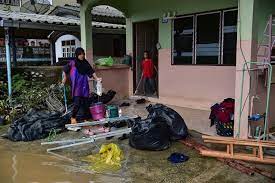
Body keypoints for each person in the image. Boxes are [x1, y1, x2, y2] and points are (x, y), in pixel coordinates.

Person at [62, 47, 101, 124]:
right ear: (77, 55)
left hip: (84, 85)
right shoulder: (72, 63)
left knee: (86, 103)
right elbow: (64, 69)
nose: (82, 55)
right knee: (77, 103)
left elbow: (91, 71)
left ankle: (85, 118)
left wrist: (97, 78)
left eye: (83, 54)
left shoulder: (85, 63)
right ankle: (73, 117)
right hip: (77, 86)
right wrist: (65, 78)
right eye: (80, 54)